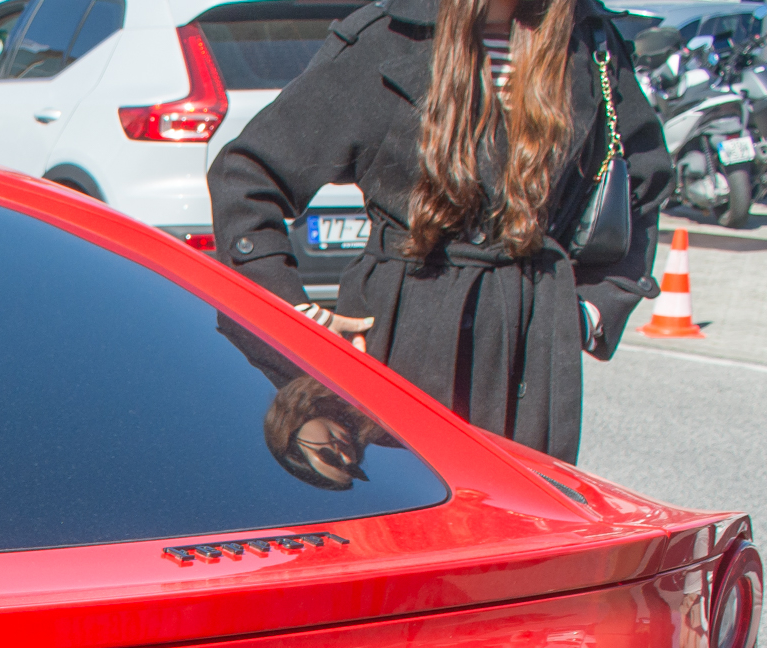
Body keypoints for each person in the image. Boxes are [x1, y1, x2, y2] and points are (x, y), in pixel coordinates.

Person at [209, 0, 672, 463]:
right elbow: (246, 176)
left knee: (521, 502)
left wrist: (594, 310)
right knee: (408, 498)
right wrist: (294, 315)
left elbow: (642, 182)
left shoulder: (588, 39)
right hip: (403, 326)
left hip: (531, 339)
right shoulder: (388, 35)